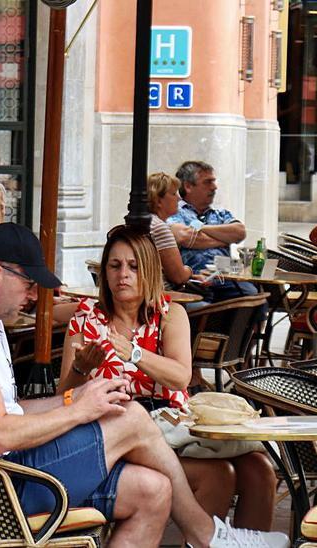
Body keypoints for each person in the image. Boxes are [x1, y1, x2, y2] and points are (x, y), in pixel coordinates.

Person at [0, 223, 288, 548]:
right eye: (29, 284)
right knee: (130, 416)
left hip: (3, 475)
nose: (33, 295)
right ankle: (207, 536)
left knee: (153, 490)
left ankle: (209, 535)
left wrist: (76, 397)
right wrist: (78, 409)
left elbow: (9, 412)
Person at [55, 228, 278, 531]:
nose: (124, 274)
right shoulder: (86, 319)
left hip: (174, 426)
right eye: (115, 265)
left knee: (260, 469)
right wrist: (80, 369)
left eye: (134, 266)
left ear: (148, 270)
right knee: (219, 474)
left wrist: (133, 353)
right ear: (104, 272)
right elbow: (63, 398)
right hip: (122, 433)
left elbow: (179, 377)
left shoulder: (169, 314)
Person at [166, 161, 255, 302]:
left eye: (214, 182)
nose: (214, 187)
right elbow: (185, 236)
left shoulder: (220, 213)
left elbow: (239, 232)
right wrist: (223, 239)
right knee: (248, 296)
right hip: (195, 279)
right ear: (188, 186)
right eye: (207, 182)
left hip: (226, 275)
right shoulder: (174, 211)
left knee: (254, 297)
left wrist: (201, 228)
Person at [146, 172, 193, 286]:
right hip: (166, 299)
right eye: (173, 193)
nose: (178, 198)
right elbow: (178, 277)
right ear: (158, 200)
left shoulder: (148, 222)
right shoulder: (159, 227)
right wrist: (190, 271)